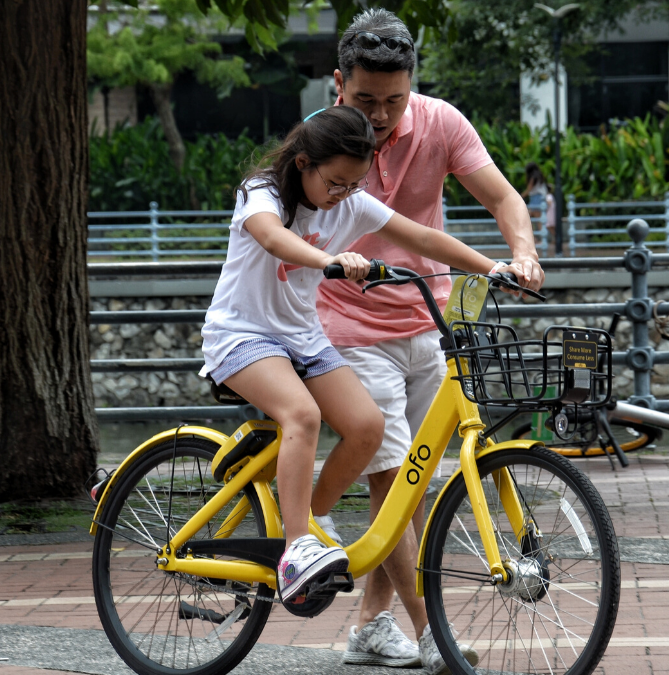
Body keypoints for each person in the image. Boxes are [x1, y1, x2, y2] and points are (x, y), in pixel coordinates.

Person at [197, 106, 516, 617]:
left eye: (354, 184)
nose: (343, 195)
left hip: (301, 337)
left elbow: (425, 239)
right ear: (303, 163)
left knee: (367, 426)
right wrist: (328, 260)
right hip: (242, 335)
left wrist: (494, 267)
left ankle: (304, 520)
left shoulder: (351, 203)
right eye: (336, 183)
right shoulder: (264, 192)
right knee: (302, 415)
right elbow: (271, 236)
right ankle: (297, 548)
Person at [314, 8, 546, 674]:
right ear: (339, 84)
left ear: (412, 85)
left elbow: (503, 197)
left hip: (430, 321)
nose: (381, 115)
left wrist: (522, 251)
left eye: (394, 99)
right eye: (365, 100)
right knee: (391, 475)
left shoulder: (441, 122)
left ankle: (368, 625)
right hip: (349, 326)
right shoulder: (322, 137)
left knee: (411, 488)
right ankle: (432, 631)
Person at [520, 162, 554, 253]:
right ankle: (535, 239)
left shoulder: (533, 177)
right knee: (528, 219)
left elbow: (529, 189)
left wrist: (520, 196)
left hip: (536, 199)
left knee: (535, 220)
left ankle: (540, 240)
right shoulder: (539, 176)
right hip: (538, 199)